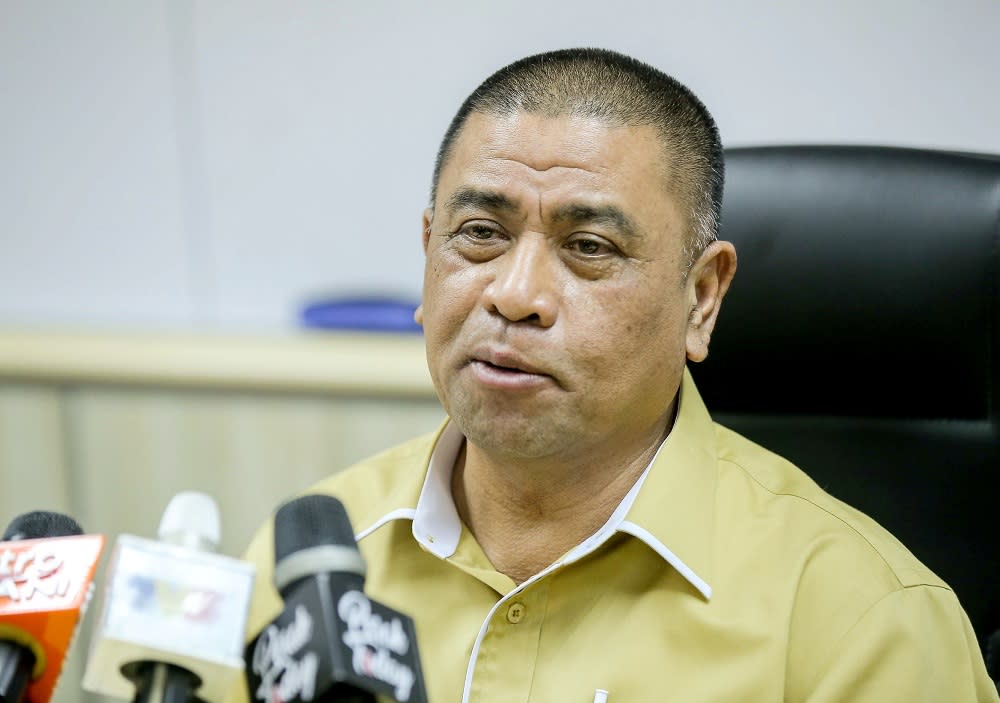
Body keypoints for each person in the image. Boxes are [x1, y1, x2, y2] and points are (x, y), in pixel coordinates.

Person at [230, 48, 998, 702]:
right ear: (428, 254)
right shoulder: (309, 560)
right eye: (480, 235)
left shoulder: (864, 622)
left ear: (701, 299)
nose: (515, 294)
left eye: (589, 246)